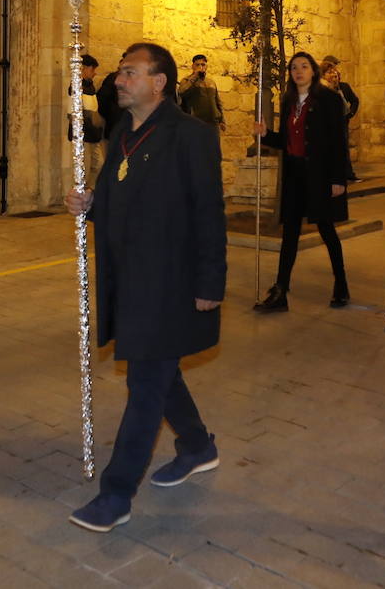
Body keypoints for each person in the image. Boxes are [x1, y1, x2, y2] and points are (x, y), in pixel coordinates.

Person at [63, 43, 226, 532]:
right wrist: (90, 204)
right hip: (130, 279)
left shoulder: (191, 136)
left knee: (146, 382)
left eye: (130, 73)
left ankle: (116, 494)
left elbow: (208, 213)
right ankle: (197, 447)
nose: (118, 80)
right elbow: (118, 197)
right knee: (160, 370)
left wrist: (209, 282)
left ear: (159, 82)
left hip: (171, 282)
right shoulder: (121, 132)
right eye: (119, 73)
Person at [253, 52, 351, 312]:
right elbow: (287, 141)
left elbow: (338, 142)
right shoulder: (288, 100)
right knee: (291, 234)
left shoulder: (328, 100)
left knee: (326, 229)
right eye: (294, 67)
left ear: (313, 71)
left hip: (319, 175)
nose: (298, 71)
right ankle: (281, 290)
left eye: (304, 67)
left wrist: (338, 178)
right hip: (294, 176)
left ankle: (341, 284)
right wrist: (266, 135)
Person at [320, 60, 359, 182]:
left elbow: (353, 101)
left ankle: (348, 174)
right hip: (326, 125)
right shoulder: (322, 88)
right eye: (329, 72)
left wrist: (351, 113)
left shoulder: (343, 87)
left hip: (341, 122)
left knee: (343, 149)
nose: (332, 74)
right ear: (323, 75)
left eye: (333, 71)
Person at [178, 54, 225, 134]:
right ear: (193, 66)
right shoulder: (186, 80)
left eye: (203, 64)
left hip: (213, 124)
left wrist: (222, 120)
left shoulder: (211, 82)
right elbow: (181, 92)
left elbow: (218, 102)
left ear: (206, 66)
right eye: (197, 64)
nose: (200, 67)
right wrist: (195, 77)